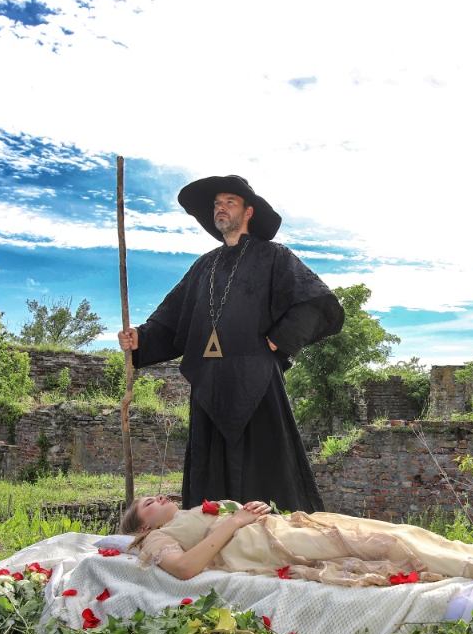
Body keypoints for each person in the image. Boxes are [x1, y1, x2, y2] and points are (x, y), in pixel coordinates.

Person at [119, 175, 343, 512]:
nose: (220, 208)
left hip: (256, 380)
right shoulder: (203, 266)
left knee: (266, 466)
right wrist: (141, 339)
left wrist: (280, 339)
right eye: (216, 204)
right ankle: (213, 530)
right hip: (209, 384)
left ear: (248, 212)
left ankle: (271, 532)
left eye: (229, 202)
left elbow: (317, 301)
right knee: (209, 474)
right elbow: (172, 317)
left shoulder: (274, 257)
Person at [117, 494, 473, 614]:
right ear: (142, 527)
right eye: (147, 504)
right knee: (389, 547)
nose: (158, 499)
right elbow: (184, 568)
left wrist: (246, 510)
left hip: (291, 525)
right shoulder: (154, 541)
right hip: (279, 545)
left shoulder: (189, 512)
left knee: (402, 530)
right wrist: (233, 523)